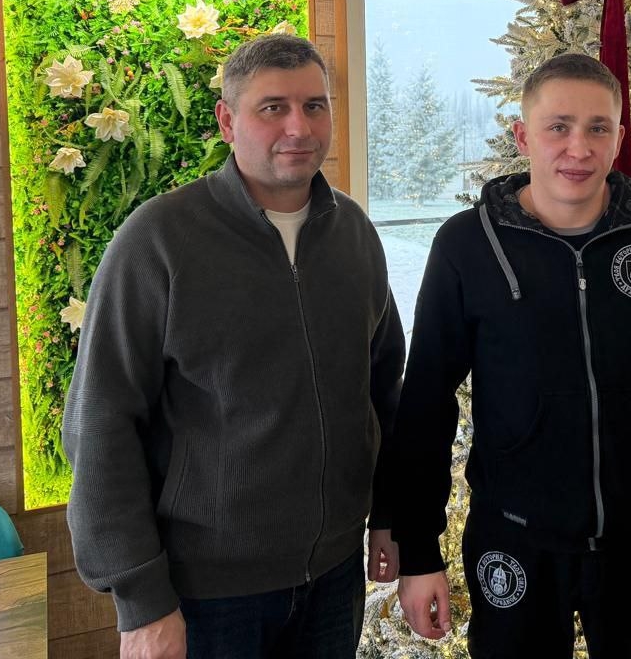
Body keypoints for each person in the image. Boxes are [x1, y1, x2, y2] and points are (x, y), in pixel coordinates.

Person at [63, 34, 406, 659]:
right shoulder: (158, 240)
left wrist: (389, 513)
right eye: (273, 108)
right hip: (206, 596)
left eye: (314, 106)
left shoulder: (354, 233)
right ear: (227, 121)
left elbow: (384, 389)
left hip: (334, 578)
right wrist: (141, 598)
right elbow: (100, 420)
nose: (298, 127)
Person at [392, 52, 631, 658]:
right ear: (523, 136)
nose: (578, 148)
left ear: (619, 138)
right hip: (512, 537)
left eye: (597, 127)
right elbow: (426, 399)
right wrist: (419, 551)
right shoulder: (468, 245)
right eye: (558, 127)